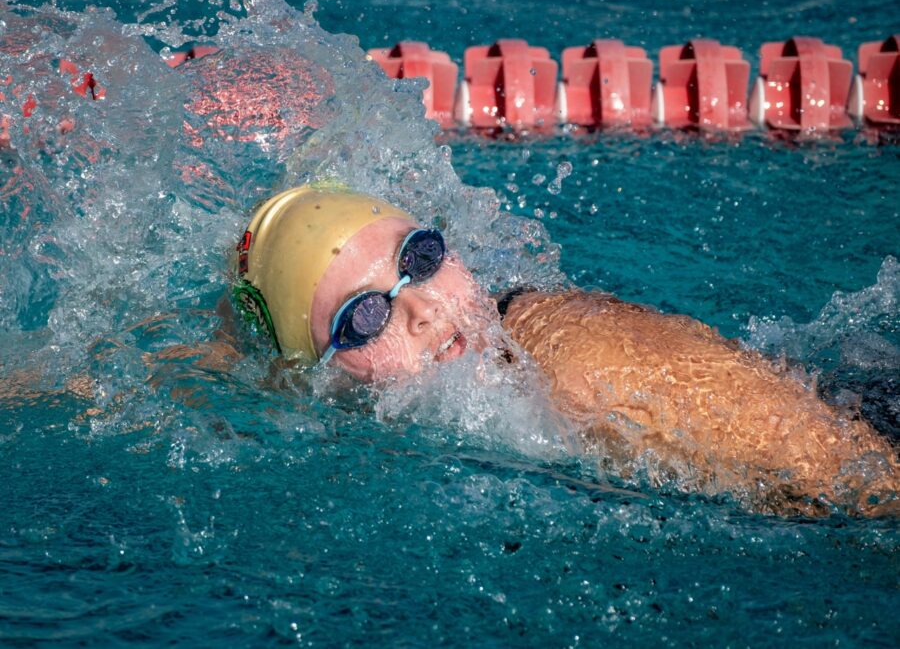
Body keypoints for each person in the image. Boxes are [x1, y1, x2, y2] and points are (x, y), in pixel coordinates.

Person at [233, 182, 900, 517]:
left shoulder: (570, 355)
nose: (425, 309)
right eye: (366, 316)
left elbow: (854, 472)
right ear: (307, 376)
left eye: (422, 256)